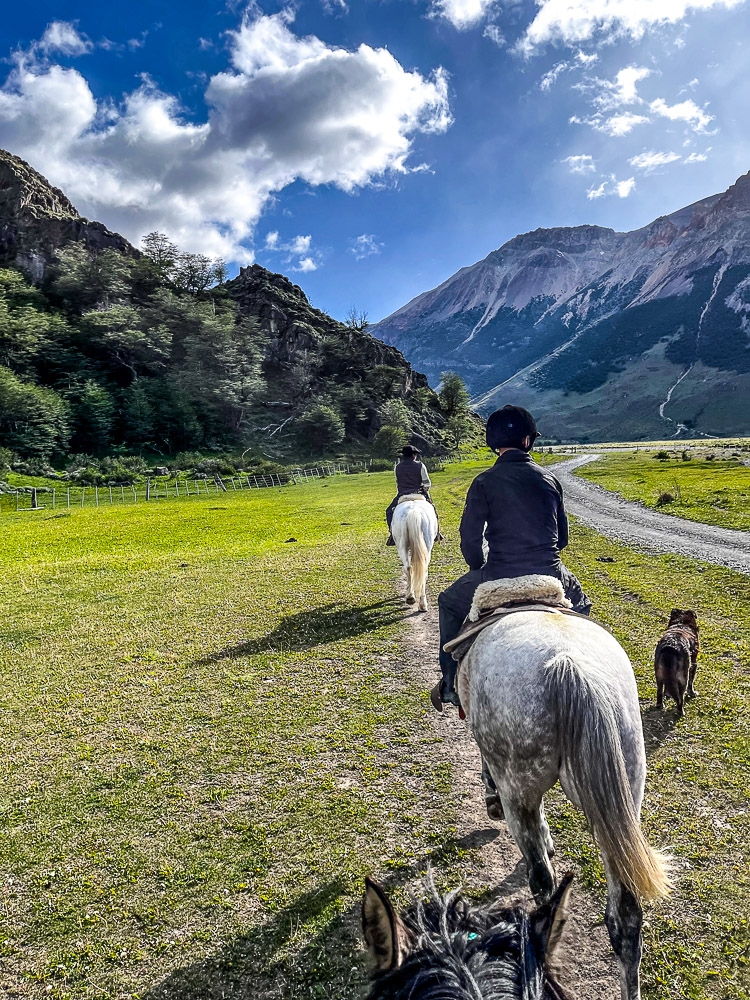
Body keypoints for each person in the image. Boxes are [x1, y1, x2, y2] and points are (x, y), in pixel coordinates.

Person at [435, 405, 591, 707]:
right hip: (551, 573)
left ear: (494, 443)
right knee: (582, 604)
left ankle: (450, 683)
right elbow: (563, 539)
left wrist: (478, 568)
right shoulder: (549, 480)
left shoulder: (483, 481)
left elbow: (470, 539)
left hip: (498, 573)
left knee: (448, 603)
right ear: (527, 440)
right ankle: (586, 664)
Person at [385, 445, 438, 546]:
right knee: (433, 509)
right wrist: (424, 490)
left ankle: (392, 534)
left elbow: (398, 482)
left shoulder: (397, 467)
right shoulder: (420, 465)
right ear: (414, 455)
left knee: (389, 512)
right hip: (418, 493)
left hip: (402, 495)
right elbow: (427, 484)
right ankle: (436, 533)